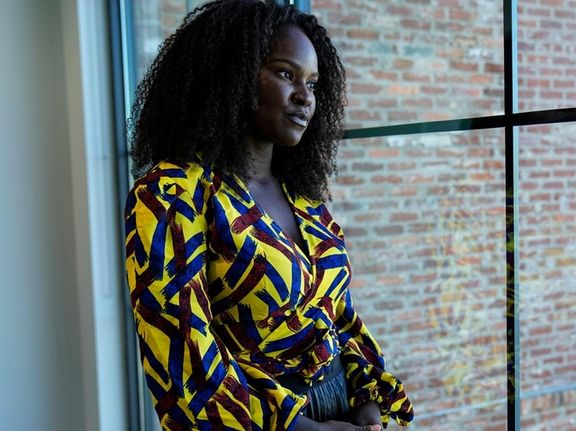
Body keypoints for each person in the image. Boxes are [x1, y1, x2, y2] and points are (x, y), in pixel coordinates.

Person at [123, 1, 414, 430]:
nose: (305, 97)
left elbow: (339, 320)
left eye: (313, 84)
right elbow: (181, 356)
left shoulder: (303, 200)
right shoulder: (171, 194)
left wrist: (367, 406)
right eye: (285, 74)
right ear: (233, 76)